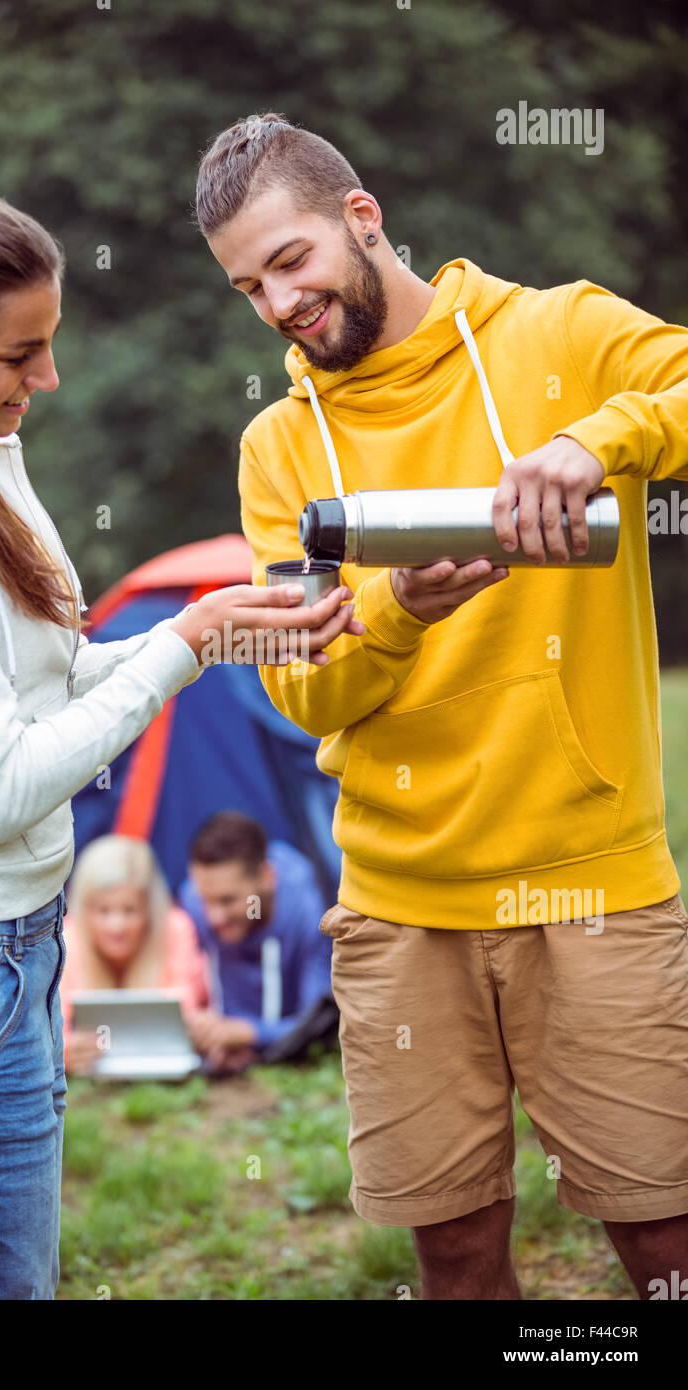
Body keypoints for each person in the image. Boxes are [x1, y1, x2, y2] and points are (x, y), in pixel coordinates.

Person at [0, 180, 361, 1300]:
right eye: (21, 355)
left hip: (0, 950)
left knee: (2, 1280)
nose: (48, 379)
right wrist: (182, 643)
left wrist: (207, 635)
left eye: (50, 345)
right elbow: (1, 784)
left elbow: (49, 679)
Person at [194, 114, 688, 1300]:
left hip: (594, 885)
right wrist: (401, 606)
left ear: (361, 218)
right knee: (455, 1261)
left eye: (293, 260)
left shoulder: (558, 330)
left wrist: (597, 438)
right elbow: (299, 684)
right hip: (400, 912)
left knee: (662, 1244)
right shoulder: (278, 447)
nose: (279, 304)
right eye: (248, 286)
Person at [178, 812, 333, 1072]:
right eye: (206, 899)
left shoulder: (310, 914)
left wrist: (249, 1034)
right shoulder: (192, 901)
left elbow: (317, 1024)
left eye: (228, 900)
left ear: (266, 878)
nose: (214, 917)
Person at [60, 834, 211, 1076]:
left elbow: (185, 1012)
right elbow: (54, 1025)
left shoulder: (175, 928)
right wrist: (66, 1050)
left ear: (149, 910)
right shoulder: (68, 937)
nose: (116, 926)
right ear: (84, 910)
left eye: (130, 911)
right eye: (103, 911)